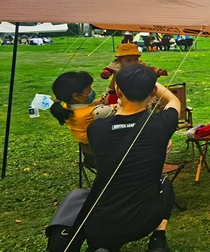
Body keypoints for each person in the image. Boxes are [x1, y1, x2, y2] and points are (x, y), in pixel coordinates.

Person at [74, 65, 179, 252]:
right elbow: (173, 100)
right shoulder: (161, 124)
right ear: (153, 91)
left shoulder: (96, 129)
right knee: (165, 184)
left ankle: (104, 246)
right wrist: (153, 85)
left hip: (101, 221)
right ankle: (158, 238)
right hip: (145, 219)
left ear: (118, 90)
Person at [49, 71, 112, 145]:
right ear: (76, 96)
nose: (92, 91)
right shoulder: (94, 112)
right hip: (102, 146)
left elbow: (100, 101)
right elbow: (121, 108)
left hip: (88, 147)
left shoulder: (68, 107)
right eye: (89, 89)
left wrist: (114, 77)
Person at [100, 43, 168, 104]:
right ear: (120, 60)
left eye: (135, 59)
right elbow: (108, 70)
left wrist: (158, 71)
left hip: (135, 90)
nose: (133, 63)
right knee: (112, 99)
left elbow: (148, 69)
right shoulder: (116, 65)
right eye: (129, 60)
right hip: (117, 91)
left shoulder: (139, 65)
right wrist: (106, 73)